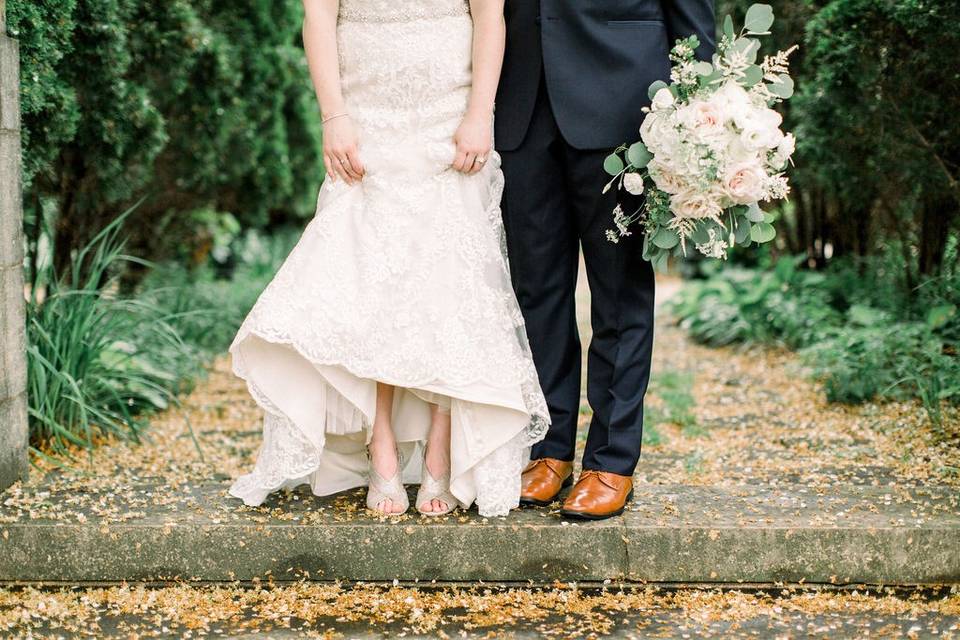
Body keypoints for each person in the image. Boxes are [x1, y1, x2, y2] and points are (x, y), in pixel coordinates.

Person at [228, 0, 548, 519]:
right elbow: (318, 18)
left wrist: (479, 113)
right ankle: (380, 446)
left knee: (444, 281)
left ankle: (441, 444)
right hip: (368, 118)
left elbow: (490, 16)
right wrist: (334, 117)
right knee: (374, 283)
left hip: (447, 117)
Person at [496, 0, 715, 519]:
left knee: (619, 295)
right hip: (519, 104)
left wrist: (698, 127)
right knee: (536, 293)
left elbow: (694, 25)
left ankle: (611, 461)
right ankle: (547, 450)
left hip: (625, 111)